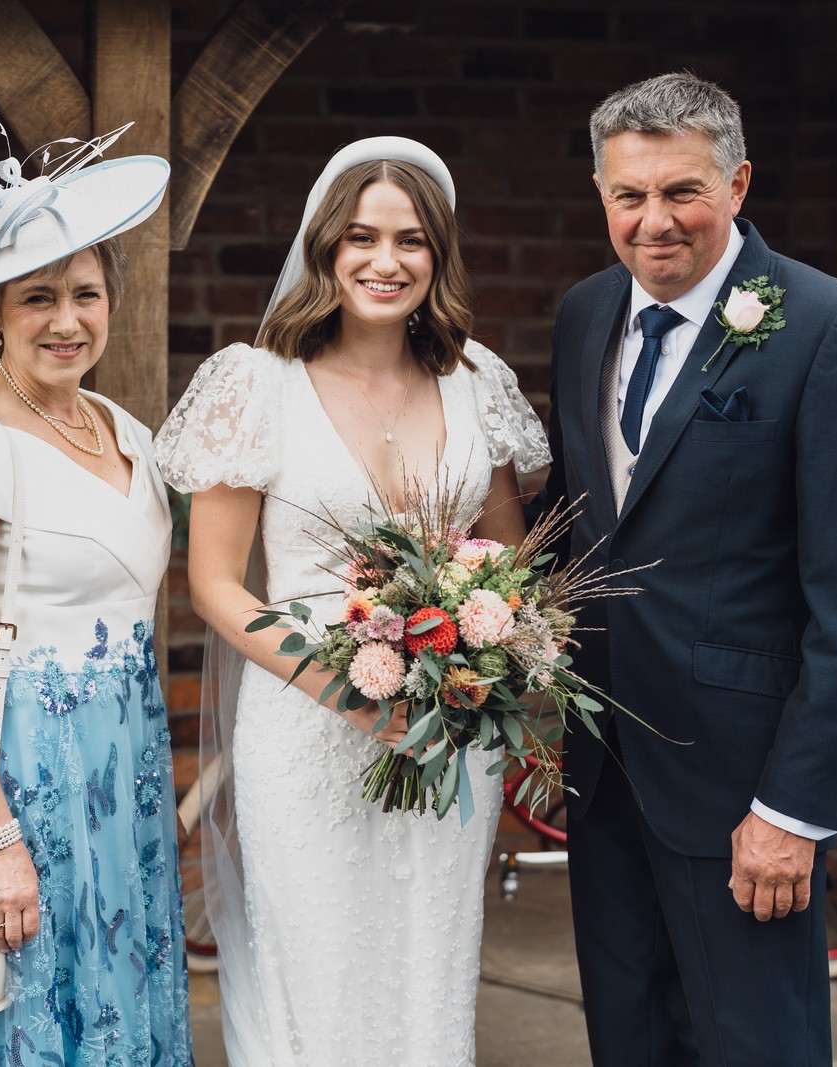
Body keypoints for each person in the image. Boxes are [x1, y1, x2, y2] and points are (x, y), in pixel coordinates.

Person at [528, 72, 837, 1065]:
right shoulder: (583, 315)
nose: (654, 221)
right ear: (602, 197)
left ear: (737, 185)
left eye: (681, 191)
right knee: (629, 1034)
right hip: (605, 764)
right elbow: (579, 520)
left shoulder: (829, 329)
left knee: (753, 1043)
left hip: (742, 787)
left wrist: (792, 810)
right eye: (628, 195)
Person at [154, 137, 549, 1065]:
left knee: (430, 959)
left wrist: (484, 648)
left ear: (438, 255)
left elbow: (510, 551)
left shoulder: (475, 379)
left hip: (449, 730)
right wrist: (349, 695)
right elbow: (214, 583)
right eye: (362, 237)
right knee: (320, 966)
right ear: (325, 247)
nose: (386, 261)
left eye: (411, 240)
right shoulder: (256, 384)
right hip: (306, 732)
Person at [0, 127, 193, 1065]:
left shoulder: (127, 431)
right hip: (25, 779)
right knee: (29, 1015)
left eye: (86, 294)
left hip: (125, 776)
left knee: (122, 1003)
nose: (68, 320)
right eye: (39, 297)